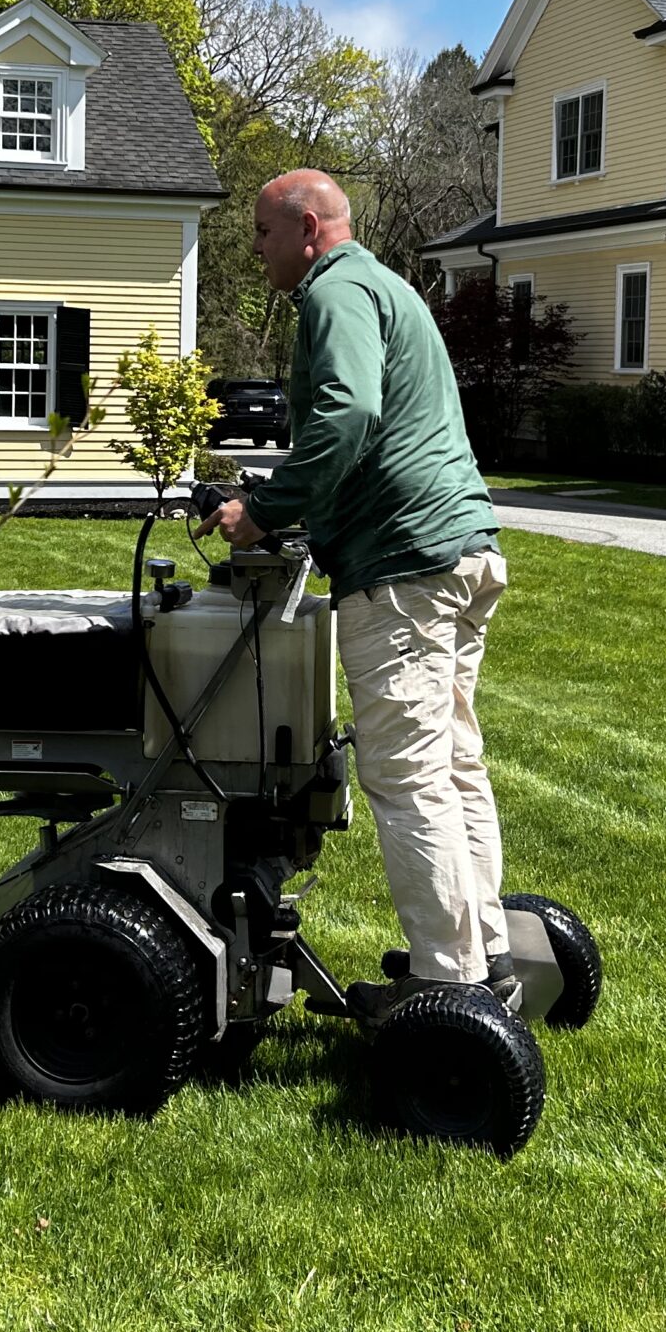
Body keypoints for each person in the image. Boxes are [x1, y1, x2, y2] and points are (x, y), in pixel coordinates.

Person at [193, 170, 512, 1021]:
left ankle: (447, 985)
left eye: (262, 232)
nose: (255, 249)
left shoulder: (335, 293)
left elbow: (346, 416)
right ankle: (488, 956)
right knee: (453, 764)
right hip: (463, 550)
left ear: (307, 228)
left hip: (402, 565)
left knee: (407, 775)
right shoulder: (388, 286)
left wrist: (262, 512)